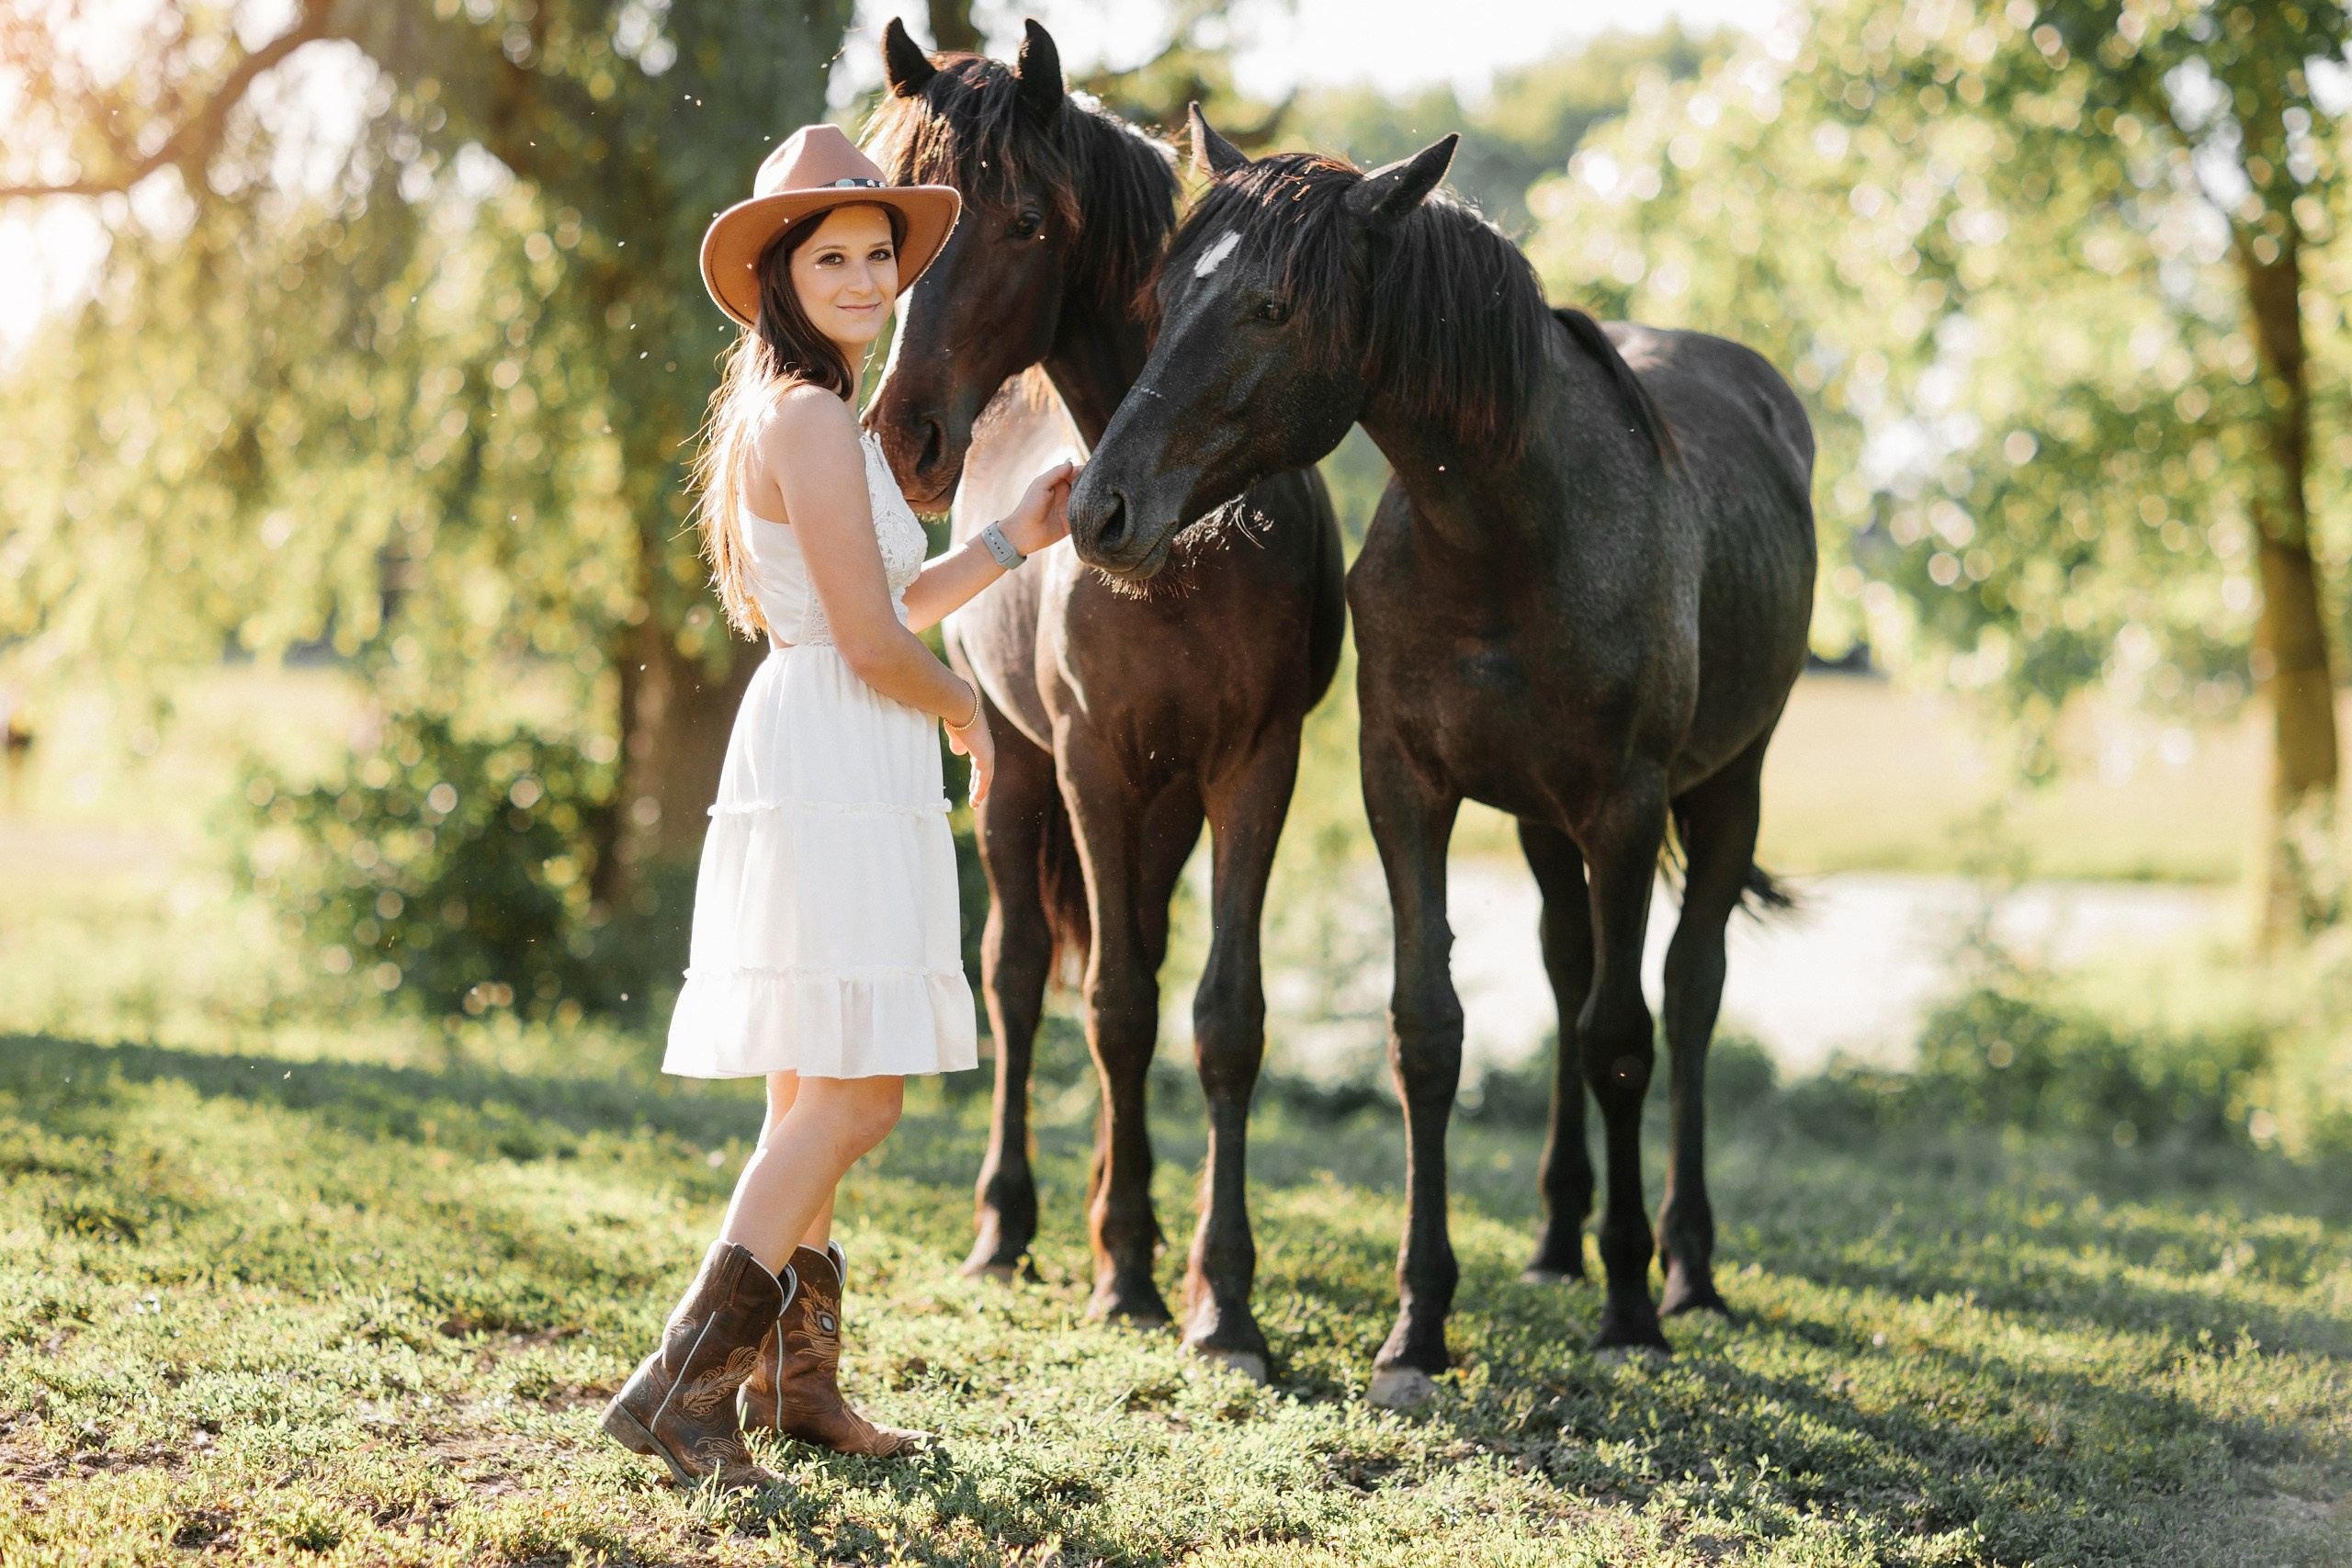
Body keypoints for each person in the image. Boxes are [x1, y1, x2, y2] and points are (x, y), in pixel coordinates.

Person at [599, 123, 1075, 1492]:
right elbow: (870, 648)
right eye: (836, 258)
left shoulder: (825, 418)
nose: (866, 278)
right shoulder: (805, 416)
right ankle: (683, 1388)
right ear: (781, 274)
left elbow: (885, 608)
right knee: (855, 1099)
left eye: (879, 255)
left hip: (839, 736)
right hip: (835, 745)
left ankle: (797, 1388)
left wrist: (1009, 540)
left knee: (814, 1089)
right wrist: (975, 715)